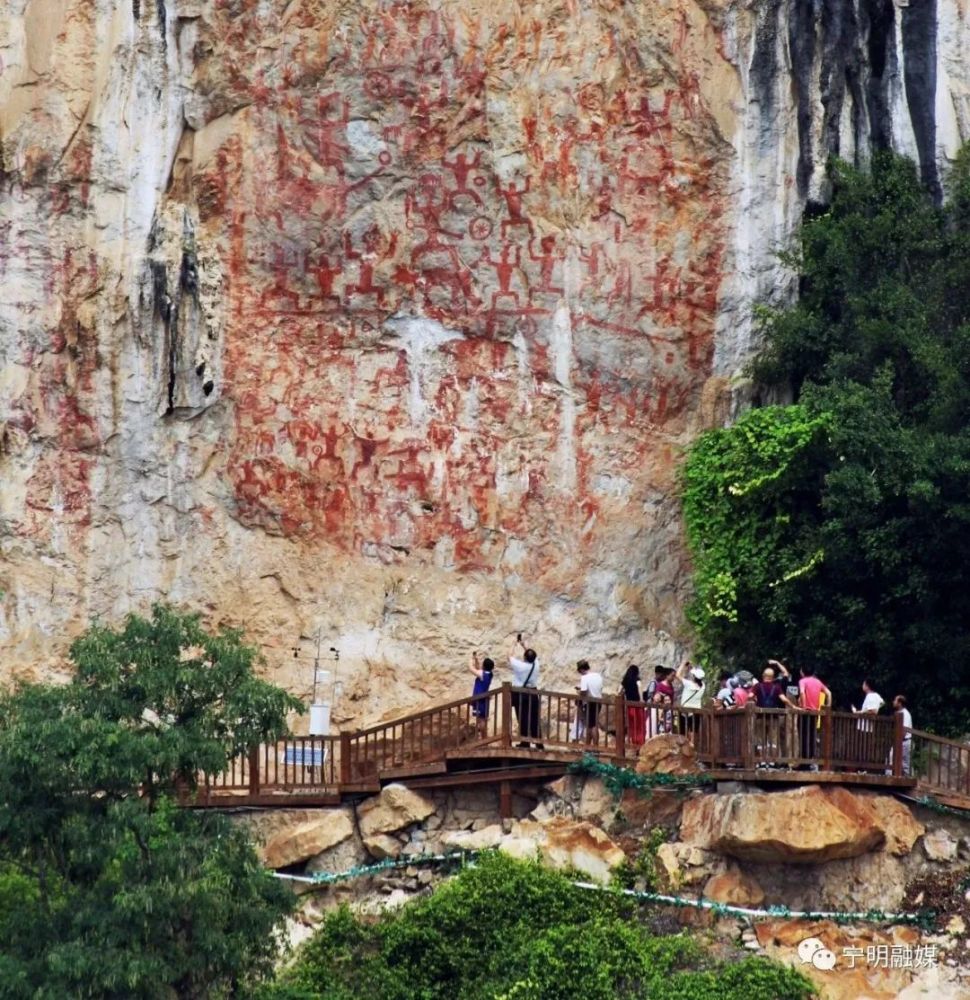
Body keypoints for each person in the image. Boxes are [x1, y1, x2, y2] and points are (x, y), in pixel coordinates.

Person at [508, 635, 543, 749]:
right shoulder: (536, 665)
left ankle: (525, 742)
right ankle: (538, 742)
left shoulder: (520, 666)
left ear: (524, 657)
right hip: (533, 693)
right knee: (534, 718)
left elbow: (509, 656)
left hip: (521, 693)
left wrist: (514, 643)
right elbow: (531, 654)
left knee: (522, 717)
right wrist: (523, 645)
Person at [797, 666, 831, 767]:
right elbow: (829, 693)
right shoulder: (817, 681)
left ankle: (803, 761)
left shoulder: (802, 681)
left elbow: (802, 692)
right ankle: (810, 760)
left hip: (806, 712)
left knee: (803, 736)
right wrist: (828, 707)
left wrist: (803, 706)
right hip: (815, 713)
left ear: (802, 672)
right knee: (812, 736)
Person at [576, 660, 604, 746]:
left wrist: (579, 692)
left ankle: (594, 746)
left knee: (592, 725)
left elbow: (584, 691)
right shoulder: (598, 676)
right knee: (591, 724)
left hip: (590, 702)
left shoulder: (584, 677)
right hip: (598, 702)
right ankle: (589, 746)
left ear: (581, 670)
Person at [468, 652, 494, 737]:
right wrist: (476, 659)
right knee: (482, 719)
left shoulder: (482, 675)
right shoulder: (489, 674)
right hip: (484, 700)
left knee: (481, 720)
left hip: (480, 700)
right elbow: (479, 669)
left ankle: (484, 739)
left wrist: (471, 659)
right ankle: (483, 738)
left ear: (484, 666)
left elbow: (471, 669)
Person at [620, 664, 646, 749]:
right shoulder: (637, 680)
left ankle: (634, 742)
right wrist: (642, 700)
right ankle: (640, 743)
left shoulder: (625, 680)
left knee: (632, 725)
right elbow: (640, 689)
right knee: (640, 725)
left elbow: (619, 690)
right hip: (637, 706)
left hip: (629, 705)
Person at [888, 695, 913, 776]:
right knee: (892, 760)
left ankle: (907, 781)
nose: (893, 702)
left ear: (900, 703)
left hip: (904, 741)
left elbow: (904, 730)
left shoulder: (905, 714)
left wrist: (898, 741)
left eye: (895, 700)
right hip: (899, 741)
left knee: (904, 763)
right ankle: (891, 777)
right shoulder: (898, 713)